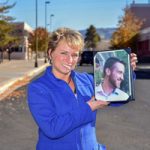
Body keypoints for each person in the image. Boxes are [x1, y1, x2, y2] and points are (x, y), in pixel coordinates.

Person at [27, 27, 138, 150]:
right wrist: (89, 107)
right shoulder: (38, 88)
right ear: (50, 53)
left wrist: (128, 72)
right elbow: (52, 129)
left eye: (75, 55)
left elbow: (116, 98)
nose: (70, 60)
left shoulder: (87, 80)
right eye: (64, 53)